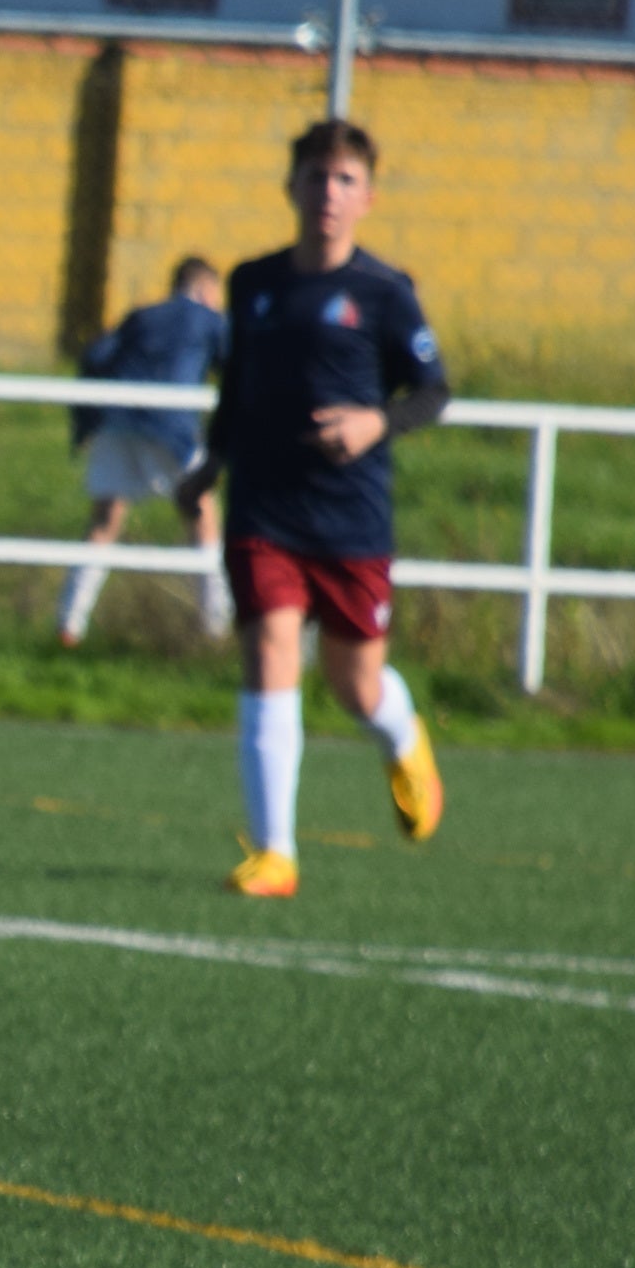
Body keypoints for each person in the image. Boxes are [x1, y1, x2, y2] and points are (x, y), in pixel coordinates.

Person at [175, 119, 448, 898]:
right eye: (316, 177)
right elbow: (239, 392)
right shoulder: (253, 283)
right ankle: (276, 852)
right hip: (265, 507)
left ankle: (403, 739)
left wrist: (374, 422)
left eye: (345, 180)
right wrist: (210, 466)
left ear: (368, 196)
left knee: (355, 684)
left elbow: (435, 391)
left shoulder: (386, 293)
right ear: (290, 186)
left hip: (351, 517)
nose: (328, 193)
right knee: (269, 653)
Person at [55, 254, 230, 646]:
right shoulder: (207, 319)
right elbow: (237, 364)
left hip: (115, 420)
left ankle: (69, 624)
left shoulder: (141, 315)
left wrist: (86, 421)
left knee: (104, 521)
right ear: (205, 289)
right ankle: (215, 627)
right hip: (170, 427)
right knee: (202, 515)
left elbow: (96, 357)